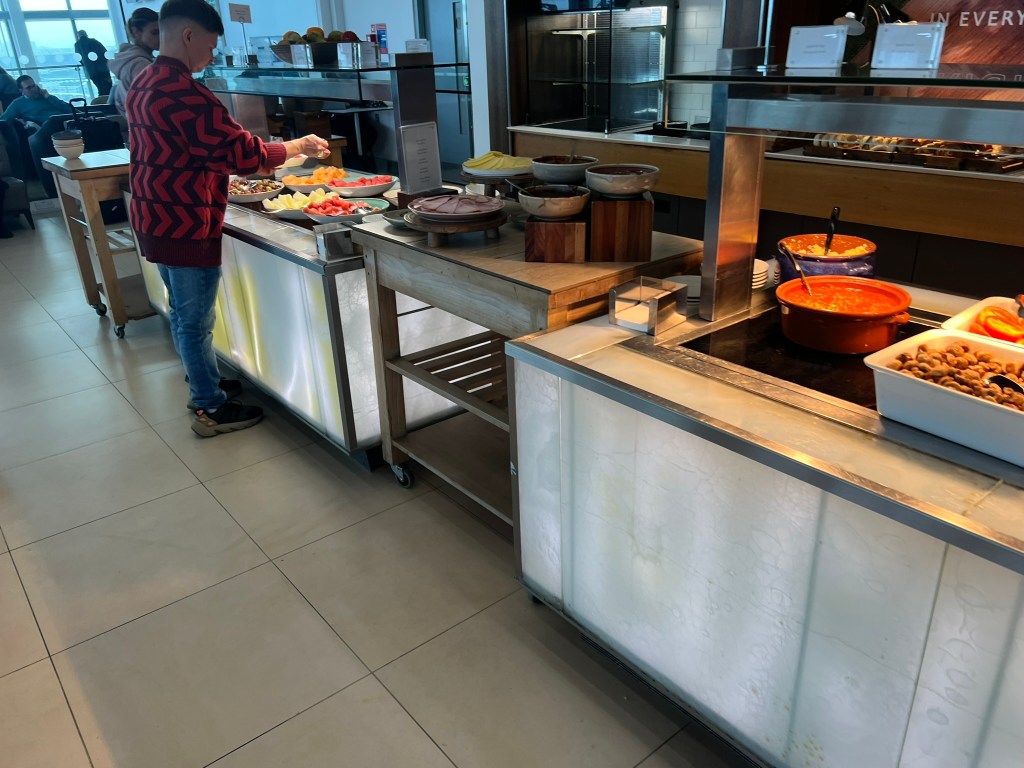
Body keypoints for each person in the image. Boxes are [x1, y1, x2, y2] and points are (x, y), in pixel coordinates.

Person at [127, 0, 328, 438]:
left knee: (182, 313)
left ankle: (203, 380)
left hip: (153, 215)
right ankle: (208, 407)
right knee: (195, 320)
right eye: (211, 44)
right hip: (184, 222)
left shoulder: (145, 80)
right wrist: (297, 146)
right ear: (188, 35)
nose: (212, 53)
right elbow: (240, 155)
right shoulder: (184, 92)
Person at [108, 8, 160, 116]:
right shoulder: (140, 65)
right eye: (155, 33)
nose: (160, 37)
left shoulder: (129, 60)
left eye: (162, 32)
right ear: (136, 32)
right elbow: (154, 104)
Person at [0, 76, 71, 130]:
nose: (33, 89)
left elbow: (69, 111)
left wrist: (49, 97)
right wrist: (16, 120)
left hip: (65, 123)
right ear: (21, 90)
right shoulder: (17, 103)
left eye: (33, 86)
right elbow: (3, 119)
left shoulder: (47, 97)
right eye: (28, 88)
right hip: (45, 128)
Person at [74, 30, 111, 97]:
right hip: (103, 69)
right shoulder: (94, 41)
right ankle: (110, 101)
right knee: (109, 88)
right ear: (86, 34)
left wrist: (85, 64)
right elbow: (104, 52)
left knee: (100, 88)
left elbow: (79, 58)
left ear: (78, 36)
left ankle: (102, 101)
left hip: (92, 71)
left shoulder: (77, 45)